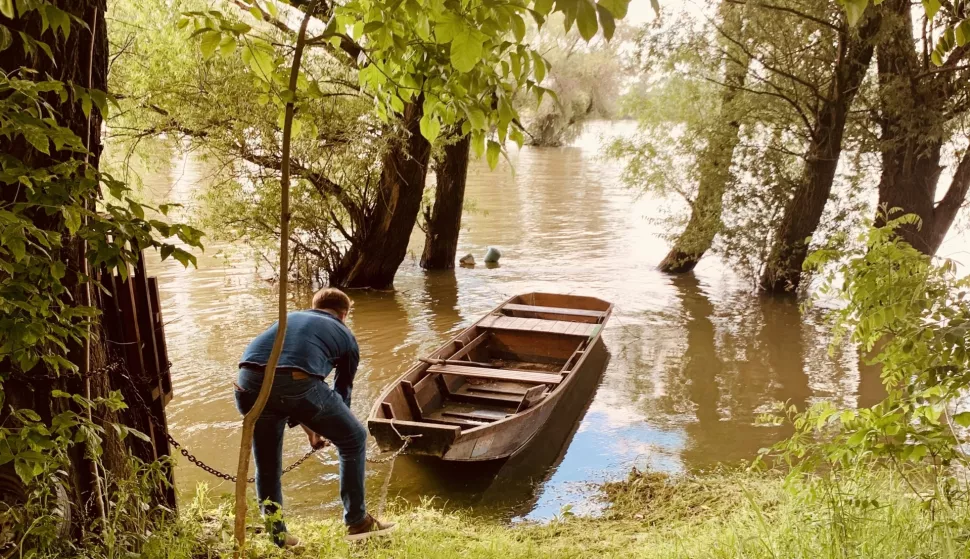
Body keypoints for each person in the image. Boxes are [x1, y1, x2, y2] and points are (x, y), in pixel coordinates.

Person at [234, 287, 395, 546]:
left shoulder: (290, 318)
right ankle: (358, 522)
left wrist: (312, 431)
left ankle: (278, 534)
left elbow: (281, 381)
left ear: (314, 306)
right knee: (354, 438)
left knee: (267, 463)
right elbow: (341, 393)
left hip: (246, 382)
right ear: (344, 314)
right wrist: (331, 426)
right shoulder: (345, 334)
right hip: (294, 382)